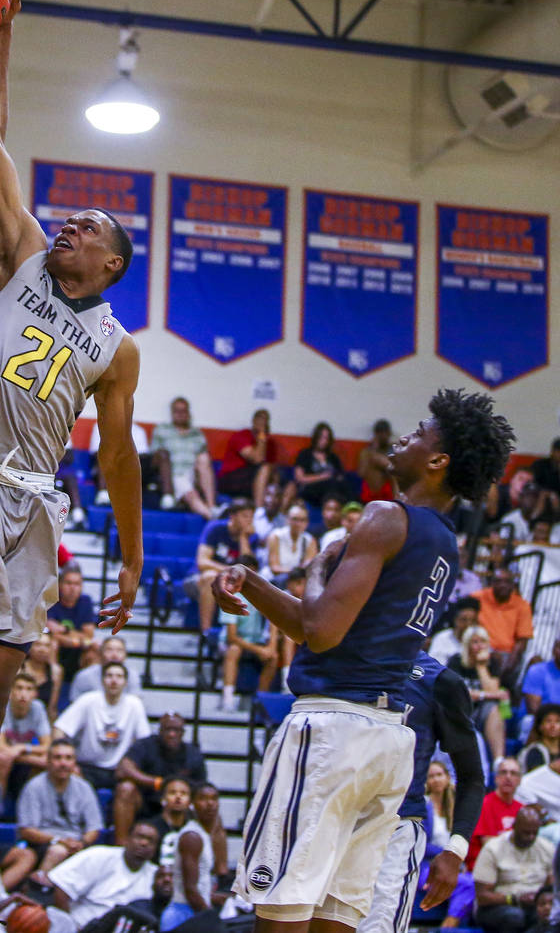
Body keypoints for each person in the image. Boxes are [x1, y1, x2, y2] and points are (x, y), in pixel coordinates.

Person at [0, 0, 144, 933]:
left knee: (1, 697)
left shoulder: (118, 348)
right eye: (73, 217)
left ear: (112, 266)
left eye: (91, 227)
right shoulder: (16, 250)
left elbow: (121, 459)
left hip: (35, 510)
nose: (72, 225)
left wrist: (132, 556)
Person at [212, 388, 514, 932]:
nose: (403, 438)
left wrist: (321, 567)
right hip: (390, 744)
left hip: (333, 727)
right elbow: (332, 626)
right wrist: (252, 581)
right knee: (337, 917)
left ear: (439, 460)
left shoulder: (384, 517)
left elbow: (319, 632)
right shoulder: (446, 543)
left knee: (280, 905)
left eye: (419, 433)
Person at [356, 652, 485, 933]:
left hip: (395, 827)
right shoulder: (340, 657)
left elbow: (472, 777)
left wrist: (455, 850)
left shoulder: (439, 682)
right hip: (334, 817)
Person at [8, 739, 103, 889]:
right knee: (57, 851)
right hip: (42, 843)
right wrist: (59, 840)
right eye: (57, 757)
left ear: (74, 762)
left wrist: (82, 843)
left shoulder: (84, 787)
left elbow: (94, 828)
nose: (63, 763)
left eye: (68, 758)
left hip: (77, 844)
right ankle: (34, 890)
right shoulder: (34, 787)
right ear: (48, 760)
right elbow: (26, 830)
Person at [113, 712, 208, 845]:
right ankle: (121, 847)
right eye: (167, 729)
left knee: (209, 803)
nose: (171, 734)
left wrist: (178, 791)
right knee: (126, 789)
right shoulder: (145, 745)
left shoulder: (193, 753)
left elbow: (201, 787)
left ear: (183, 732)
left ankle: (212, 858)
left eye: (176, 730)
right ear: (160, 730)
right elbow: (123, 769)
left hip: (179, 806)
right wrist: (157, 783)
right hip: (146, 802)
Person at [53, 662, 150, 790]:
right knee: (71, 777)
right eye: (109, 676)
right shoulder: (88, 700)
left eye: (119, 676)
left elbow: (144, 742)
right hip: (85, 767)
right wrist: (68, 760)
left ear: (126, 682)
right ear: (102, 680)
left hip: (118, 770)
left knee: (128, 788)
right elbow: (59, 729)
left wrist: (131, 764)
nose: (114, 680)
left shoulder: (135, 704)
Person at [48, 821, 160, 931]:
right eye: (140, 837)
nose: (144, 843)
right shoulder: (99, 855)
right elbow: (62, 889)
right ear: (127, 839)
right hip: (80, 925)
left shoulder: (156, 875)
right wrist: (69, 926)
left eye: (151, 841)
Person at [472, 807, 554, 933]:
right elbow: (482, 896)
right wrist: (515, 899)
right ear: (514, 827)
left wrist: (543, 901)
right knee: (514, 917)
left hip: (534, 905)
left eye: (534, 833)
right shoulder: (493, 849)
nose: (531, 837)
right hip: (497, 907)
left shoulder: (547, 848)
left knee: (549, 917)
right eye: (526, 833)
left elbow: (551, 887)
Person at [189, 498, 260, 634]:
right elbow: (202, 562)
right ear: (232, 516)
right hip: (198, 578)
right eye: (245, 516)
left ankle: (243, 637)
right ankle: (206, 632)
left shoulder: (252, 537)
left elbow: (249, 570)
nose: (249, 520)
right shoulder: (215, 528)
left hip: (231, 582)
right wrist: (231, 571)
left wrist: (243, 538)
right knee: (211, 577)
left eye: (251, 517)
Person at [160, 783, 223, 931]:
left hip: (193, 910)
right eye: (203, 799)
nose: (210, 804)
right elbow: (190, 890)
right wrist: (211, 919)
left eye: (214, 799)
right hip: (183, 914)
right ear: (192, 805)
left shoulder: (204, 834)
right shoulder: (192, 837)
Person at [447, 625, 508, 765]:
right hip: (460, 709)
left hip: (481, 711)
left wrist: (481, 666)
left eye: (483, 642)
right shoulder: (456, 661)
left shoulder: (492, 663)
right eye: (475, 642)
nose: (479, 646)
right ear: (467, 645)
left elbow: (492, 690)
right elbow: (459, 693)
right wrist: (485, 695)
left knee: (494, 709)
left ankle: (498, 761)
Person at [151, 397, 217, 518]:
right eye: (177, 411)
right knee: (186, 488)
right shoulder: (162, 430)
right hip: (172, 475)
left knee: (204, 458)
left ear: (188, 413)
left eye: (184, 411)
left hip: (194, 475)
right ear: (172, 413)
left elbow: (205, 466)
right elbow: (154, 459)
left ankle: (211, 504)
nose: (180, 414)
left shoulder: (197, 434)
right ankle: (211, 515)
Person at [0, 672, 51, 804]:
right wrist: (18, 753)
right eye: (19, 688)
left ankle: (29, 805)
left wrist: (21, 748)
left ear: (35, 694)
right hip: (3, 757)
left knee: (47, 762)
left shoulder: (38, 708)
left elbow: (47, 746)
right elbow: (0, 746)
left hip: (19, 755)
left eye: (29, 689)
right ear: (11, 691)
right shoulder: (2, 706)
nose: (23, 693)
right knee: (3, 758)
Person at [476, 566, 533, 687]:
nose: (503, 585)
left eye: (507, 582)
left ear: (513, 585)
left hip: (507, 654)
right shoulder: (478, 598)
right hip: (479, 649)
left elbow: (522, 640)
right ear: (491, 583)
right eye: (498, 581)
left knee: (514, 662)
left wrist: (510, 663)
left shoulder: (522, 605)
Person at [465, 756, 523, 870]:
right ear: (496, 778)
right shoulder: (484, 804)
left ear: (520, 780)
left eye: (513, 773)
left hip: (512, 864)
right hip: (485, 865)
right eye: (503, 772)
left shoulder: (521, 809)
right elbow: (488, 843)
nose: (508, 777)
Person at [219, 598, 277, 711]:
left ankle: (260, 701)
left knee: (273, 657)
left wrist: (270, 648)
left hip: (257, 641)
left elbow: (274, 622)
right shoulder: (233, 598)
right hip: (231, 642)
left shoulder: (266, 597)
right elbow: (231, 637)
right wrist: (259, 650)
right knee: (234, 650)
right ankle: (227, 698)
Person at [217, 409, 280, 506]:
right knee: (264, 469)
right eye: (260, 419)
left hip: (253, 480)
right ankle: (259, 512)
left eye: (265, 420)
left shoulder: (269, 443)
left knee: (287, 483)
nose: (263, 423)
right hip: (231, 478)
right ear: (254, 421)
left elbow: (272, 467)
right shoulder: (242, 436)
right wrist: (262, 434)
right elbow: (257, 459)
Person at [47, 566, 98, 685]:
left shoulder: (86, 601)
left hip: (77, 645)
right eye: (68, 583)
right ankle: (52, 686)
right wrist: (77, 636)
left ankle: (86, 689)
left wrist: (65, 631)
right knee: (52, 643)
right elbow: (51, 632)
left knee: (95, 648)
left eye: (77, 584)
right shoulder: (51, 598)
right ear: (59, 584)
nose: (72, 588)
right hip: (55, 645)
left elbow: (89, 636)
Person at [523, 636, 560, 722]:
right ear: (553, 650)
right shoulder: (537, 671)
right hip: (539, 721)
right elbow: (533, 708)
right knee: (529, 721)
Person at [292, 421, 351, 509]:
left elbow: (340, 476)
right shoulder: (305, 454)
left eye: (327, 438)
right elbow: (300, 478)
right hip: (311, 489)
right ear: (316, 438)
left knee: (345, 486)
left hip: (333, 490)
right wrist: (322, 477)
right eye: (321, 438)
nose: (324, 441)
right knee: (331, 484)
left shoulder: (333, 457)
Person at [69, 635, 142, 703]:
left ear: (125, 655)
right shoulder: (84, 676)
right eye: (109, 650)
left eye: (119, 650)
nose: (114, 655)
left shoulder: (132, 676)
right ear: (100, 653)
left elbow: (135, 704)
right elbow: (75, 706)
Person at [262, 503, 317, 586]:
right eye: (295, 519)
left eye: (302, 520)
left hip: (295, 581)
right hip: (273, 580)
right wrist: (296, 571)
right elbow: (274, 568)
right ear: (287, 519)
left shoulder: (310, 540)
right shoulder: (276, 536)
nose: (298, 524)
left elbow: (308, 568)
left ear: (307, 522)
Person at [147, 777, 193, 866]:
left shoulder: (193, 830)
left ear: (190, 802)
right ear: (162, 799)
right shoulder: (150, 827)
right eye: (172, 793)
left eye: (183, 793)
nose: (178, 797)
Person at [22, 631, 63, 722]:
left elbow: (52, 708)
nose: (42, 649)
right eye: (38, 644)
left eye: (47, 646)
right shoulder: (19, 668)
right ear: (30, 647)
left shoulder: (55, 672)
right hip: (18, 717)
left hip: (41, 721)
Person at [531, 436, 560, 519]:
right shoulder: (541, 464)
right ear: (552, 451)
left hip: (558, 502)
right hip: (539, 496)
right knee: (543, 496)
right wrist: (549, 494)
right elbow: (533, 484)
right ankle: (533, 520)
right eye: (558, 451)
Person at [518, 704, 560, 773]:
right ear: (540, 726)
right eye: (548, 721)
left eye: (557, 721)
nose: (553, 726)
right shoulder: (534, 751)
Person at [428, 596, 480, 666]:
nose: (468, 624)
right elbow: (434, 667)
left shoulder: (479, 638)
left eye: (472, 621)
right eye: (464, 620)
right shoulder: (441, 638)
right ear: (455, 619)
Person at [357, 419, 396, 503]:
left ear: (389, 434)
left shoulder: (393, 450)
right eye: (380, 433)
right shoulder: (367, 452)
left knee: (391, 469)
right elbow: (361, 474)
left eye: (385, 433)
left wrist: (384, 463)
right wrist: (375, 450)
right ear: (375, 435)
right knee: (372, 458)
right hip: (369, 493)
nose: (383, 436)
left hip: (388, 491)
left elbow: (395, 471)